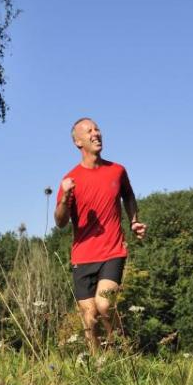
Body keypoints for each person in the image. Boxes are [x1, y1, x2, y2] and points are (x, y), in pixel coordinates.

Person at [55, 117, 146, 352]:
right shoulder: (70, 180)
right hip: (83, 255)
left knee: (104, 305)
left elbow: (129, 196)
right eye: (89, 131)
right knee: (89, 317)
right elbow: (60, 222)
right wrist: (65, 198)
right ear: (78, 142)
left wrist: (134, 221)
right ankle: (99, 363)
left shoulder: (117, 170)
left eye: (97, 129)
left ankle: (121, 349)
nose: (96, 133)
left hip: (113, 251)